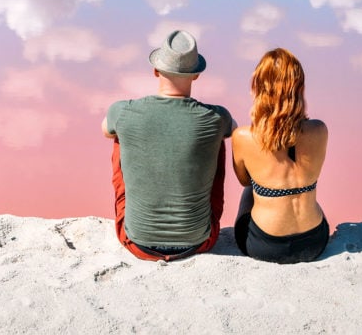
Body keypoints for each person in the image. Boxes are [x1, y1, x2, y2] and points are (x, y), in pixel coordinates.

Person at [103, 30, 234, 262]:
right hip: (200, 241)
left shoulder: (124, 110)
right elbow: (233, 130)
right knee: (216, 138)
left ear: (155, 70)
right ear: (196, 76)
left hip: (136, 241)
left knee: (120, 135)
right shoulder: (216, 116)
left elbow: (105, 129)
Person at [231, 48, 329, 263]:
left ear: (258, 86)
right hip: (315, 241)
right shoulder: (319, 130)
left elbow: (244, 180)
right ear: (299, 87)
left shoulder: (244, 136)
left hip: (265, 246)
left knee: (252, 187)